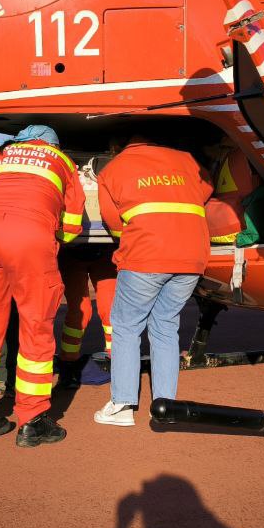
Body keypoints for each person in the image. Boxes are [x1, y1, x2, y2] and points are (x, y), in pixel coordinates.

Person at [0, 125, 84, 447]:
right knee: (35, 329)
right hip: (29, 236)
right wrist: (52, 239)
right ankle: (32, 420)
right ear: (51, 144)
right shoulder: (62, 162)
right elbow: (71, 225)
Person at [94, 133, 212, 427]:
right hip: (193, 254)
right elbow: (207, 190)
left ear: (118, 145)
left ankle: (122, 405)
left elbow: (111, 219)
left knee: (126, 326)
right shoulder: (185, 159)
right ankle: (166, 405)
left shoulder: (114, 168)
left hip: (146, 255)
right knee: (165, 327)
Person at [56, 245, 116, 388]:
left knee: (111, 311)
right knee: (80, 313)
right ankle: (68, 366)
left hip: (106, 251)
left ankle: (117, 361)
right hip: (70, 252)